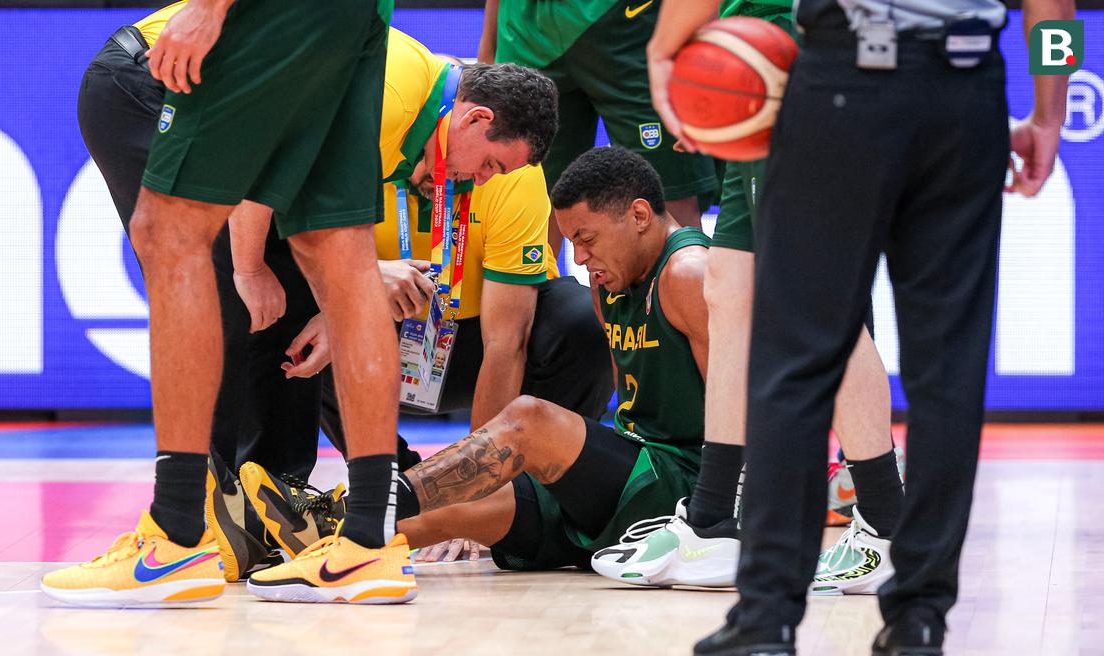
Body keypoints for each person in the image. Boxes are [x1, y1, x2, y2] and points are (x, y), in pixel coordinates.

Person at [42, 0, 558, 607]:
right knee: (327, 266)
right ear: (473, 120)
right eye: (490, 166)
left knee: (187, 245)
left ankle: (179, 535)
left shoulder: (412, 96)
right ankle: (360, 538)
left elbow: (259, 177)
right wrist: (259, 266)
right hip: (155, 78)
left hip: (290, 20)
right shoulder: (399, 85)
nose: (482, 181)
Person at [686, 0, 1073, 656]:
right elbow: (1055, 10)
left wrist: (665, 52)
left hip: (842, 81)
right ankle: (919, 622)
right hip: (966, 88)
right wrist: (1049, 109)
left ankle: (766, 620)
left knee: (797, 358)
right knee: (947, 372)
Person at [251, 147, 709, 591]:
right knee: (454, 513)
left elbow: (744, 411)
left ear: (640, 216)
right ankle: (316, 543)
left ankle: (351, 510)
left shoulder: (688, 273)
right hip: (632, 486)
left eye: (586, 241)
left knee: (529, 419)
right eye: (573, 243)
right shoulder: (609, 280)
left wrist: (725, 519)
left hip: (688, 490)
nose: (581, 257)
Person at [592, 0, 905, 597]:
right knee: (729, 288)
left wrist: (664, 57)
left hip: (787, 62)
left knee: (815, 302)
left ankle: (888, 520)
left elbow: (1055, 16)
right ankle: (716, 516)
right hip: (795, 60)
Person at [62, 1, 330, 587]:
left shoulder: (366, 61)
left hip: (241, 83)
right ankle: (194, 521)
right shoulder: (371, 72)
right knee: (214, 267)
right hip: (148, 80)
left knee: (284, 271)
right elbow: (273, 136)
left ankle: (270, 499)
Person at [479, 0, 722, 254]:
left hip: (629, 23)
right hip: (525, 27)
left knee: (665, 200)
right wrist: (488, 47)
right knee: (529, 200)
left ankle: (675, 292)